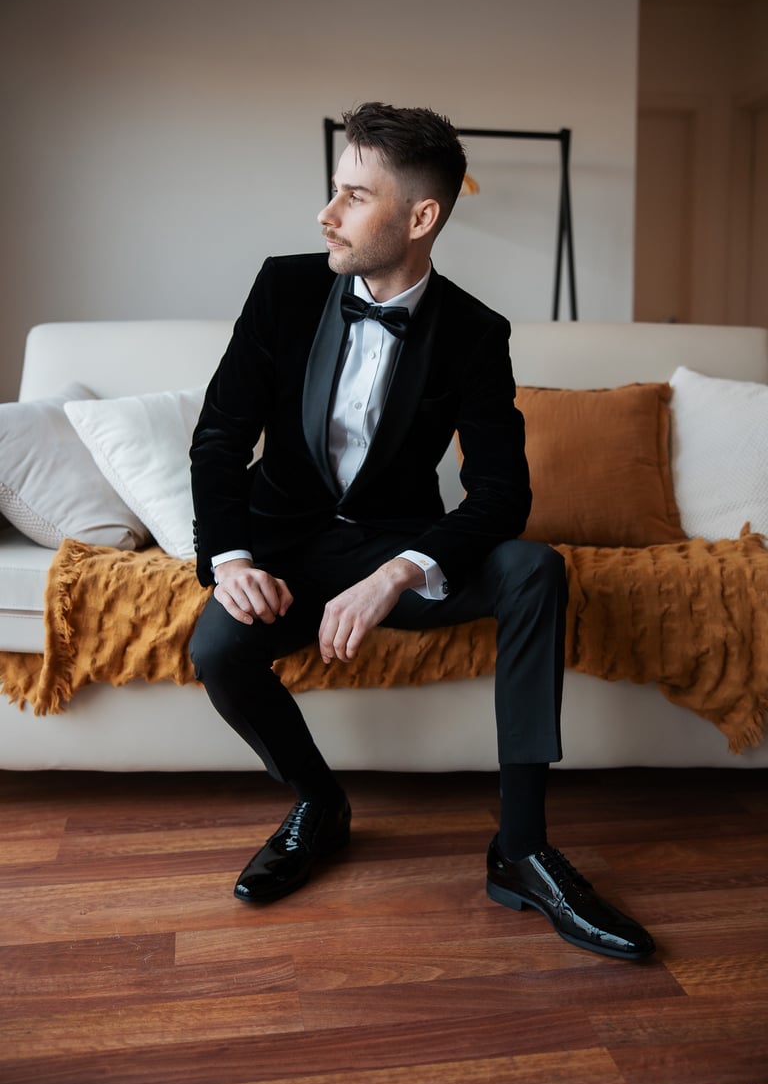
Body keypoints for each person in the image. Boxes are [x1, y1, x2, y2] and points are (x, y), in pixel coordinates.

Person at [189, 102, 655, 961]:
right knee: (216, 647)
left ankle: (522, 851)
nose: (327, 214)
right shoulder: (284, 289)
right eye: (334, 190)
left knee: (534, 568)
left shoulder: (475, 333)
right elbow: (220, 438)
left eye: (354, 196)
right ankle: (318, 802)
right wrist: (232, 558)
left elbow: (502, 493)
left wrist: (400, 570)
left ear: (420, 217)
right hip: (284, 550)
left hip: (392, 550)